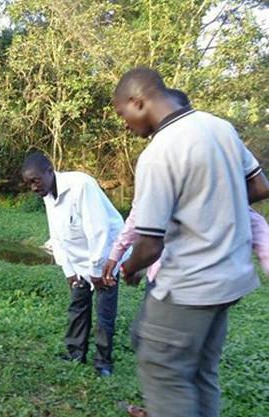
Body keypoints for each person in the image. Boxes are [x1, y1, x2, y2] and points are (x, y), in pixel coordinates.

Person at [112, 67, 269, 417]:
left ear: (138, 101)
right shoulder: (219, 127)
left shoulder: (159, 153)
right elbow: (260, 187)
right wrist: (213, 206)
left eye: (122, 114)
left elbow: (149, 245)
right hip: (230, 281)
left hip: (189, 285)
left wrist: (130, 268)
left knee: (163, 370)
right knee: (200, 372)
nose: (124, 124)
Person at [21, 151, 128, 377]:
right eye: (28, 183)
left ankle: (103, 363)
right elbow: (57, 236)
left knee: (104, 310)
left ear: (50, 171)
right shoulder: (48, 195)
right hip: (79, 258)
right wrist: (69, 271)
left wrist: (98, 271)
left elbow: (98, 230)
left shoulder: (81, 186)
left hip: (106, 256)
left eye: (35, 180)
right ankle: (75, 354)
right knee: (78, 306)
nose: (33, 187)